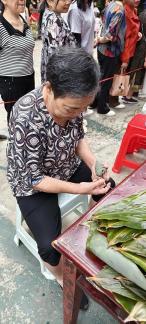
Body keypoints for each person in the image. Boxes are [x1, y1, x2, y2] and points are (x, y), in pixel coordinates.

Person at [7, 47, 115, 307]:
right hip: (33, 185)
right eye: (71, 108)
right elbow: (36, 179)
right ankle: (59, 277)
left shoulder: (73, 106)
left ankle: (92, 227)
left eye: (82, 108)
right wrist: (82, 188)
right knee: (50, 244)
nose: (77, 113)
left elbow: (77, 139)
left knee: (108, 187)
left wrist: (93, 163)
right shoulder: (25, 116)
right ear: (49, 88)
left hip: (64, 165)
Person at [0, 0, 35, 124]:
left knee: (28, 116)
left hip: (29, 78)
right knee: (17, 119)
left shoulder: (23, 20)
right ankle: (14, 143)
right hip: (11, 82)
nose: (22, 0)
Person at [92, 0, 126, 116]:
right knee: (106, 80)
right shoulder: (119, 10)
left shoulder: (110, 4)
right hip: (110, 51)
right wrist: (100, 39)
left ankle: (96, 102)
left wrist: (99, 39)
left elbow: (103, 25)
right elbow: (111, 34)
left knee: (102, 77)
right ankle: (102, 107)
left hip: (103, 49)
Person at [41, 0, 75, 83]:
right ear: (50, 1)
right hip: (59, 78)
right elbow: (56, 56)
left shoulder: (49, 14)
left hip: (52, 73)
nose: (68, 2)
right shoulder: (54, 21)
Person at [120, 0, 142, 104]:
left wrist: (138, 34)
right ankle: (106, 102)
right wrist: (125, 58)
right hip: (123, 50)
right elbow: (126, 37)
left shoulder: (134, 11)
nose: (137, 0)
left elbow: (132, 33)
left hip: (131, 50)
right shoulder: (124, 11)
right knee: (114, 77)